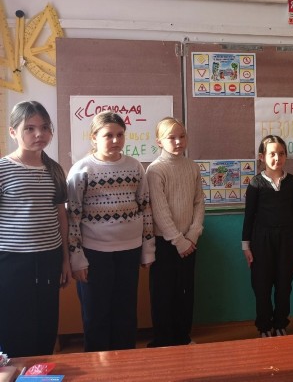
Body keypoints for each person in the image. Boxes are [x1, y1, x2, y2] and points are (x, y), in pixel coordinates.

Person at [67, 111, 155, 352]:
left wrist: (148, 249)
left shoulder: (135, 166)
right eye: (108, 135)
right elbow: (73, 217)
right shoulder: (81, 170)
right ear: (94, 137)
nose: (116, 140)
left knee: (125, 314)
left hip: (130, 251)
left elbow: (145, 208)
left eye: (120, 135)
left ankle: (124, 365)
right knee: (96, 316)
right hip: (94, 253)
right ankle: (98, 367)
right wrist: (76, 258)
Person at [0, 101, 71, 357]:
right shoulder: (3, 169)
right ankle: (18, 373)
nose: (39, 134)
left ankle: (42, 371)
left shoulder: (55, 169)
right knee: (14, 326)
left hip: (49, 257)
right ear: (13, 132)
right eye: (29, 128)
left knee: (46, 323)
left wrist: (65, 259)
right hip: (11, 260)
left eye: (44, 127)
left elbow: (61, 216)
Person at [146, 117, 204, 347]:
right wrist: (179, 241)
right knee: (163, 294)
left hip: (190, 242)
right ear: (159, 141)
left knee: (185, 291)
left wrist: (193, 234)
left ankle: (183, 337)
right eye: (172, 137)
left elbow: (199, 202)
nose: (178, 141)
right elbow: (160, 211)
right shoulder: (155, 170)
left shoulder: (192, 167)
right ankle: (164, 341)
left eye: (182, 136)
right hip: (166, 243)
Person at [242, 135, 293, 337]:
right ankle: (264, 326)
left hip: (287, 239)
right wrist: (246, 246)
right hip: (261, 240)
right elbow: (249, 216)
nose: (278, 158)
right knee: (262, 285)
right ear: (262, 157)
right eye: (272, 154)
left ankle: (280, 324)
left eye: (282, 153)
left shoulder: (292, 182)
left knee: (284, 285)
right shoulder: (256, 183)